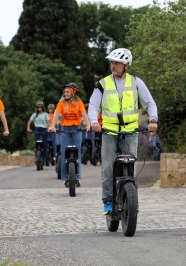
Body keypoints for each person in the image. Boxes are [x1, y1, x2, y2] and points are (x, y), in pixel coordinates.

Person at [88, 48, 158, 214]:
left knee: (130, 166)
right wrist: (93, 121)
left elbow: (149, 103)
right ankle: (107, 200)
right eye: (111, 62)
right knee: (108, 168)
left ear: (126, 65)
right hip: (109, 132)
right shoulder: (103, 84)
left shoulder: (135, 82)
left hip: (130, 132)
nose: (113, 65)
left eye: (117, 63)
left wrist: (153, 120)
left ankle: (130, 199)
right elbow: (93, 106)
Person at [49, 83, 91, 187]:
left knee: (78, 154)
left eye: (67, 92)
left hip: (76, 130)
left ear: (72, 92)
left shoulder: (78, 102)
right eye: (64, 92)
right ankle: (65, 178)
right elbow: (56, 115)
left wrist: (88, 125)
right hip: (65, 131)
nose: (65, 94)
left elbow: (84, 115)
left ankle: (77, 177)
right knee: (64, 153)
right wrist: (52, 126)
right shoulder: (61, 103)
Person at [27, 101, 50, 165]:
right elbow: (29, 121)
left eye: (40, 107)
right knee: (37, 143)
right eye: (38, 107)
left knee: (45, 143)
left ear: (42, 107)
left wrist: (49, 128)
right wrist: (28, 128)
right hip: (37, 129)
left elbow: (48, 122)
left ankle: (45, 158)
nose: (39, 108)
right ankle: (37, 157)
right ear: (36, 107)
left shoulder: (45, 114)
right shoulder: (34, 114)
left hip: (44, 129)